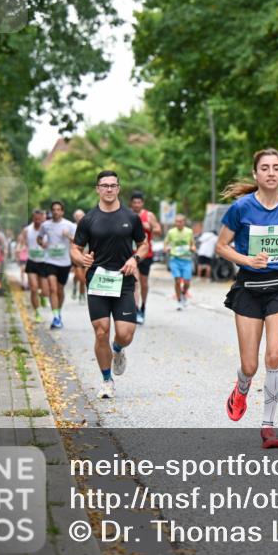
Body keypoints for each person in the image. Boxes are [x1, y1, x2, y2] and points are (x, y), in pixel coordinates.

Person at [216, 148, 278, 449]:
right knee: (249, 366)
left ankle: (268, 426)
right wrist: (247, 260)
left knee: (273, 356)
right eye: (265, 168)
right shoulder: (241, 207)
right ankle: (242, 387)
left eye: (276, 167)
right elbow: (221, 246)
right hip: (248, 288)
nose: (271, 172)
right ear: (256, 173)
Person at [71, 171, 147, 399]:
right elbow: (75, 248)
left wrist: (135, 259)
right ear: (97, 189)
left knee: (125, 334)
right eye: (104, 185)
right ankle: (106, 380)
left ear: (118, 188)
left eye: (113, 185)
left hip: (123, 281)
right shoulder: (88, 219)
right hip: (98, 281)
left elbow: (143, 244)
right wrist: (80, 258)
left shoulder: (131, 217)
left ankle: (118, 349)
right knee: (101, 331)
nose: (109, 189)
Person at [38, 200, 77, 329]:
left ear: (62, 212)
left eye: (58, 210)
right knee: (53, 289)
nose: (56, 212)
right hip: (50, 261)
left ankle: (58, 313)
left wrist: (68, 236)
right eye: (54, 210)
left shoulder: (69, 225)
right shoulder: (45, 225)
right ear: (51, 211)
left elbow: (78, 242)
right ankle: (55, 318)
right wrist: (41, 243)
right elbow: (39, 237)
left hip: (64, 262)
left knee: (60, 290)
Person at [128, 191, 161, 325]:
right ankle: (136, 309)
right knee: (135, 282)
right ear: (131, 203)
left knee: (144, 283)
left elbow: (158, 230)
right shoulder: (127, 214)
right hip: (131, 254)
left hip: (146, 254)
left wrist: (150, 227)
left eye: (139, 202)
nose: (137, 205)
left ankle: (143, 307)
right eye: (134, 202)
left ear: (142, 203)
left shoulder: (149, 215)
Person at [16, 210, 51, 323]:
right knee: (34, 288)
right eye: (36, 219)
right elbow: (21, 241)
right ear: (33, 219)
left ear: (42, 219)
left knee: (45, 291)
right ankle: (37, 312)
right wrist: (19, 248)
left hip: (44, 262)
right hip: (32, 262)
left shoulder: (47, 229)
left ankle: (42, 297)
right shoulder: (27, 230)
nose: (38, 221)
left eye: (40, 219)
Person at [166, 214, 196, 309]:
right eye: (177, 221)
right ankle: (179, 300)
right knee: (177, 280)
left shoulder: (189, 231)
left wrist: (193, 248)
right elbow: (166, 244)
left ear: (184, 222)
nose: (178, 223)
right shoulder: (171, 232)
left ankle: (183, 294)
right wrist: (166, 248)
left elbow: (193, 244)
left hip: (186, 260)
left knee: (187, 282)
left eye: (180, 221)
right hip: (175, 259)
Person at [72, 209, 87, 303]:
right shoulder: (72, 227)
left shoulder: (88, 226)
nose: (79, 218)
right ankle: (75, 285)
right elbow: (72, 242)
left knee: (83, 278)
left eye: (81, 216)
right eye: (77, 216)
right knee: (79, 276)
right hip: (76, 256)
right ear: (75, 218)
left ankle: (82, 294)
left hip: (86, 256)